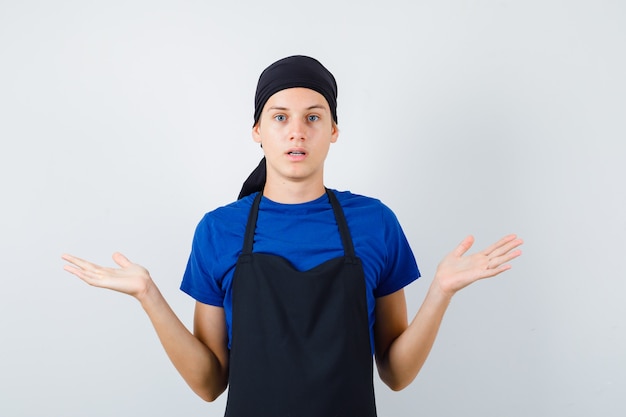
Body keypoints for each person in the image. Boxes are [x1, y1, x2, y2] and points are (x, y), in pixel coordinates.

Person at [62, 55, 523, 417]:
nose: (297, 132)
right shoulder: (219, 230)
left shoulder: (375, 223)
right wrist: (148, 295)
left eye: (313, 117)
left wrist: (440, 291)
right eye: (280, 117)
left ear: (334, 130)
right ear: (257, 131)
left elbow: (396, 373)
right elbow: (209, 384)